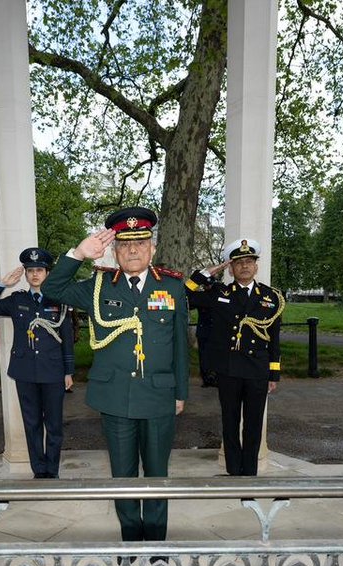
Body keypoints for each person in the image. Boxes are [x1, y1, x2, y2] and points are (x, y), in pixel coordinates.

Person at [42, 207, 189, 543]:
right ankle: (131, 539)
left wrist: (180, 392)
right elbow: (52, 289)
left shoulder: (172, 286)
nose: (133, 250)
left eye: (141, 243)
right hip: (115, 397)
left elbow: (180, 343)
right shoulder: (98, 285)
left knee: (157, 474)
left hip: (158, 395)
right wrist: (78, 254)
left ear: (152, 248)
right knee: (122, 474)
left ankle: (156, 541)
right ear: (114, 250)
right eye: (124, 244)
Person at [185, 238, 285, 476]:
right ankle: (233, 471)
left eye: (249, 261)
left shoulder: (271, 297)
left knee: (253, 425)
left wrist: (273, 374)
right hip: (228, 369)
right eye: (239, 262)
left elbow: (274, 338)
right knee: (229, 422)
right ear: (230, 269)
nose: (245, 266)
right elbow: (183, 297)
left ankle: (249, 473)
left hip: (257, 371)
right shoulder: (218, 293)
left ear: (256, 266)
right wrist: (204, 275)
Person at [0, 247, 75, 479]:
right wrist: (2, 284)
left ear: (47, 273)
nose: (35, 274)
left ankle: (52, 471)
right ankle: (39, 471)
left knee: (54, 426)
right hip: (25, 371)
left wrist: (68, 371)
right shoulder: (17, 300)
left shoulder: (59, 300)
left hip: (53, 371)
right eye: (30, 270)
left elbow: (67, 338)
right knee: (32, 424)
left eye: (39, 270)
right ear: (26, 274)